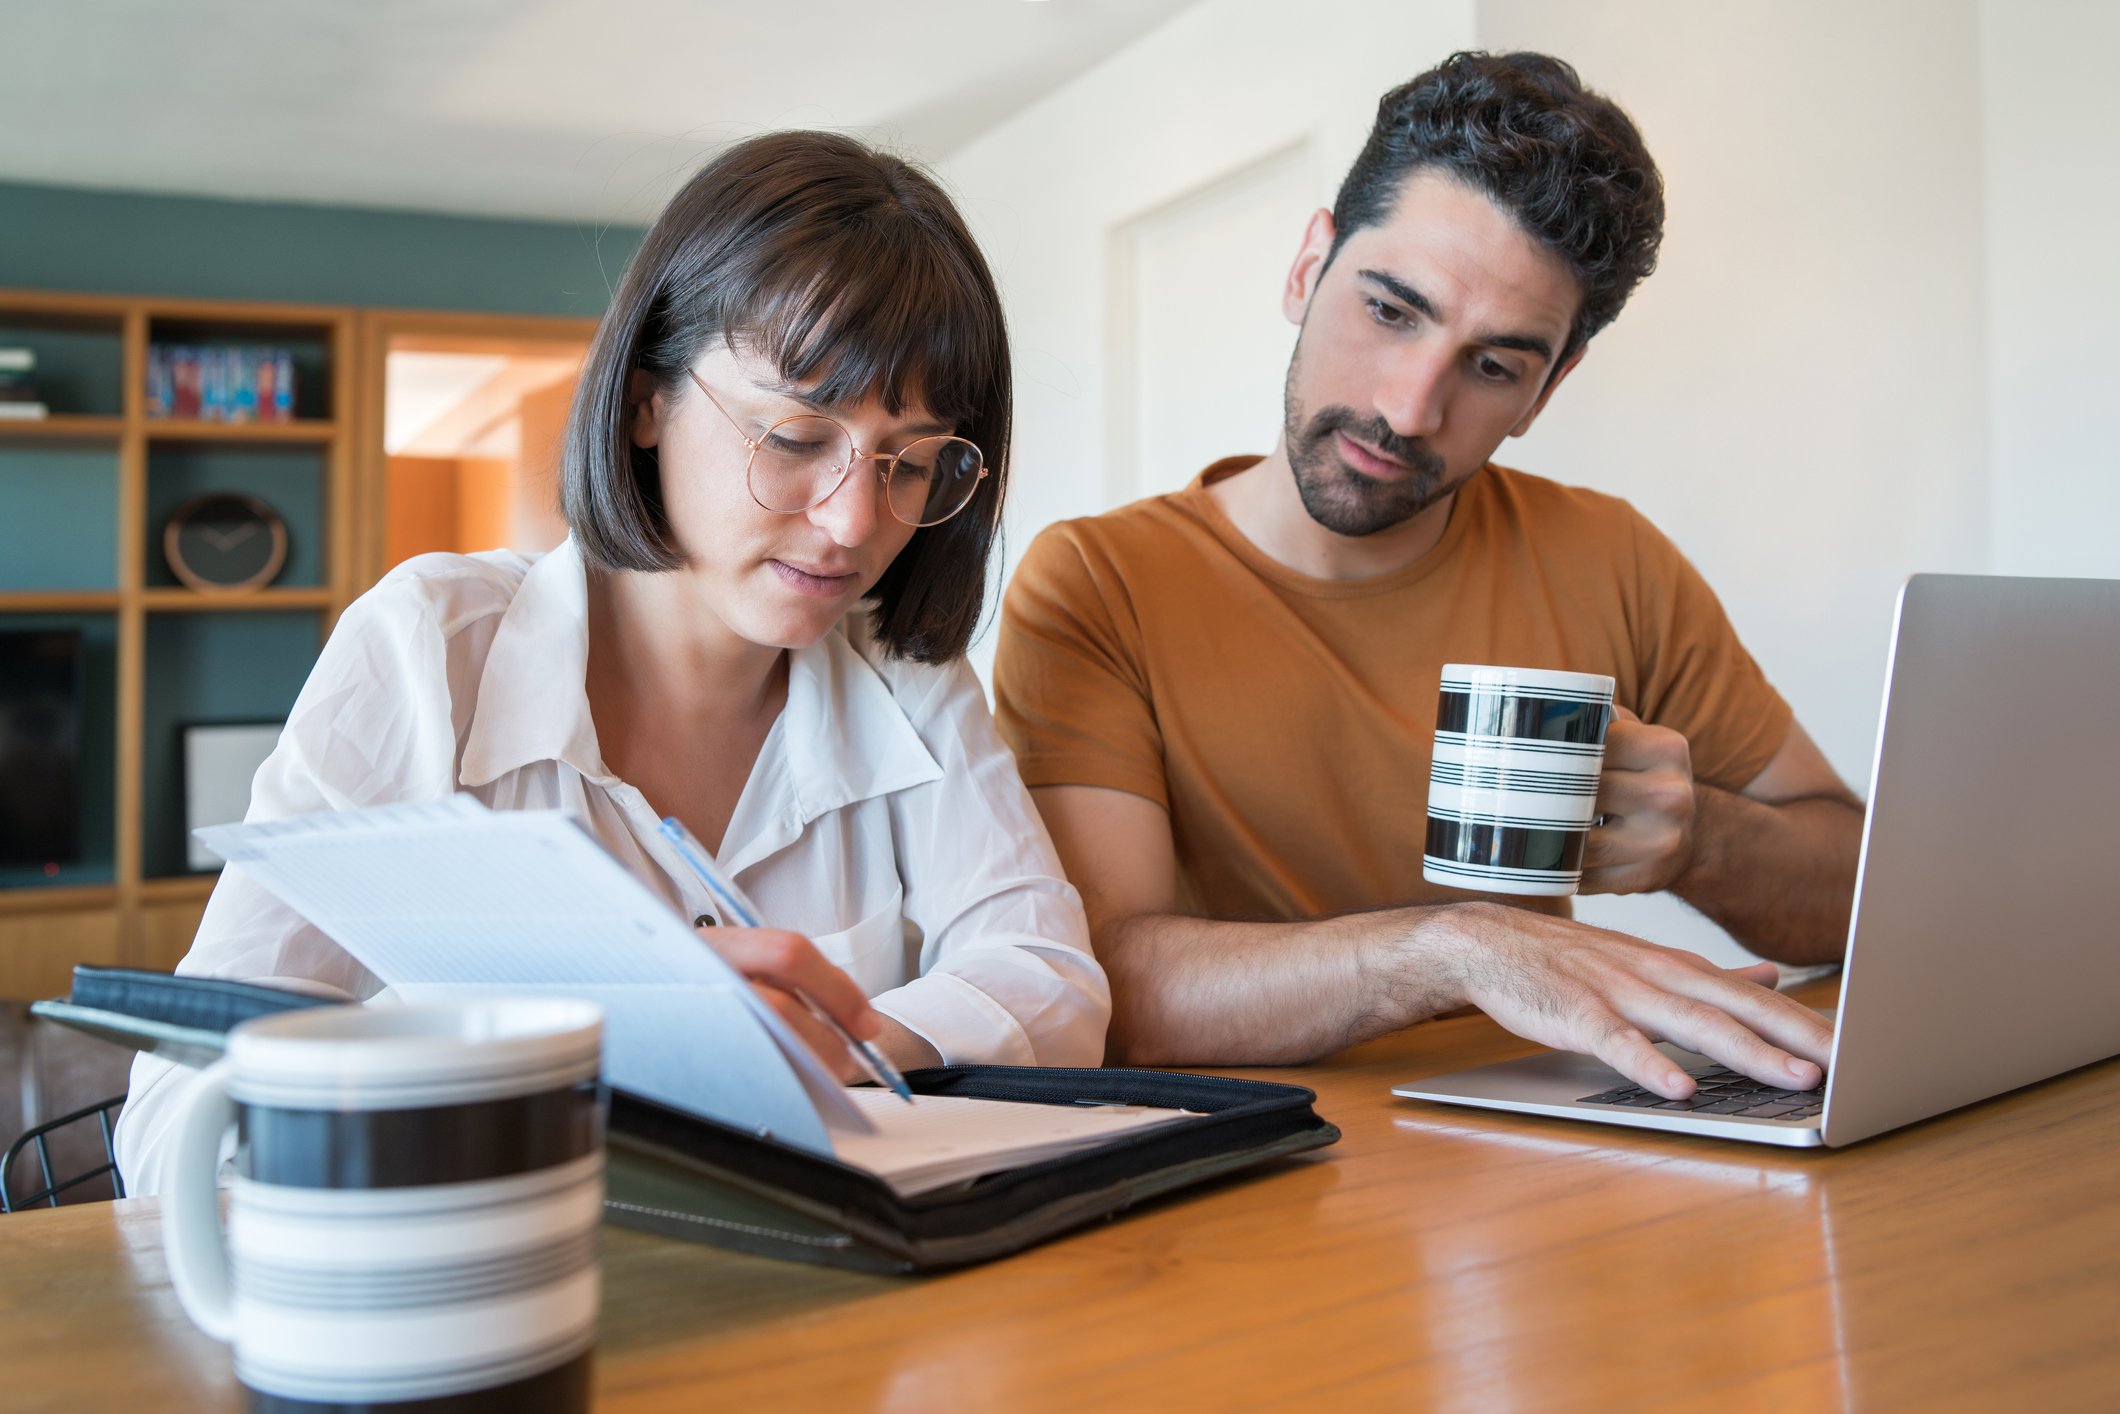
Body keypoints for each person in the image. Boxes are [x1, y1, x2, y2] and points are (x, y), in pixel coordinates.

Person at [117, 131, 1109, 1193]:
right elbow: (173, 1119)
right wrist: (583, 1036)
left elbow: (1051, 981)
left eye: (907, 461)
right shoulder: (426, 650)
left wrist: (845, 1035)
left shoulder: (906, 677)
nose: (853, 520)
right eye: (792, 436)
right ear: (645, 400)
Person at [994, 53, 1861, 1099]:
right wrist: (1453, 951)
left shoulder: (1608, 557)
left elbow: (1861, 889)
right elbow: (1100, 984)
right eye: (1390, 310)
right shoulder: (1099, 582)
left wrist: (1701, 842)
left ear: (1547, 388)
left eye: (1492, 366)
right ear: (1307, 265)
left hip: (1554, 1155)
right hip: (1259, 1179)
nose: (1408, 408)